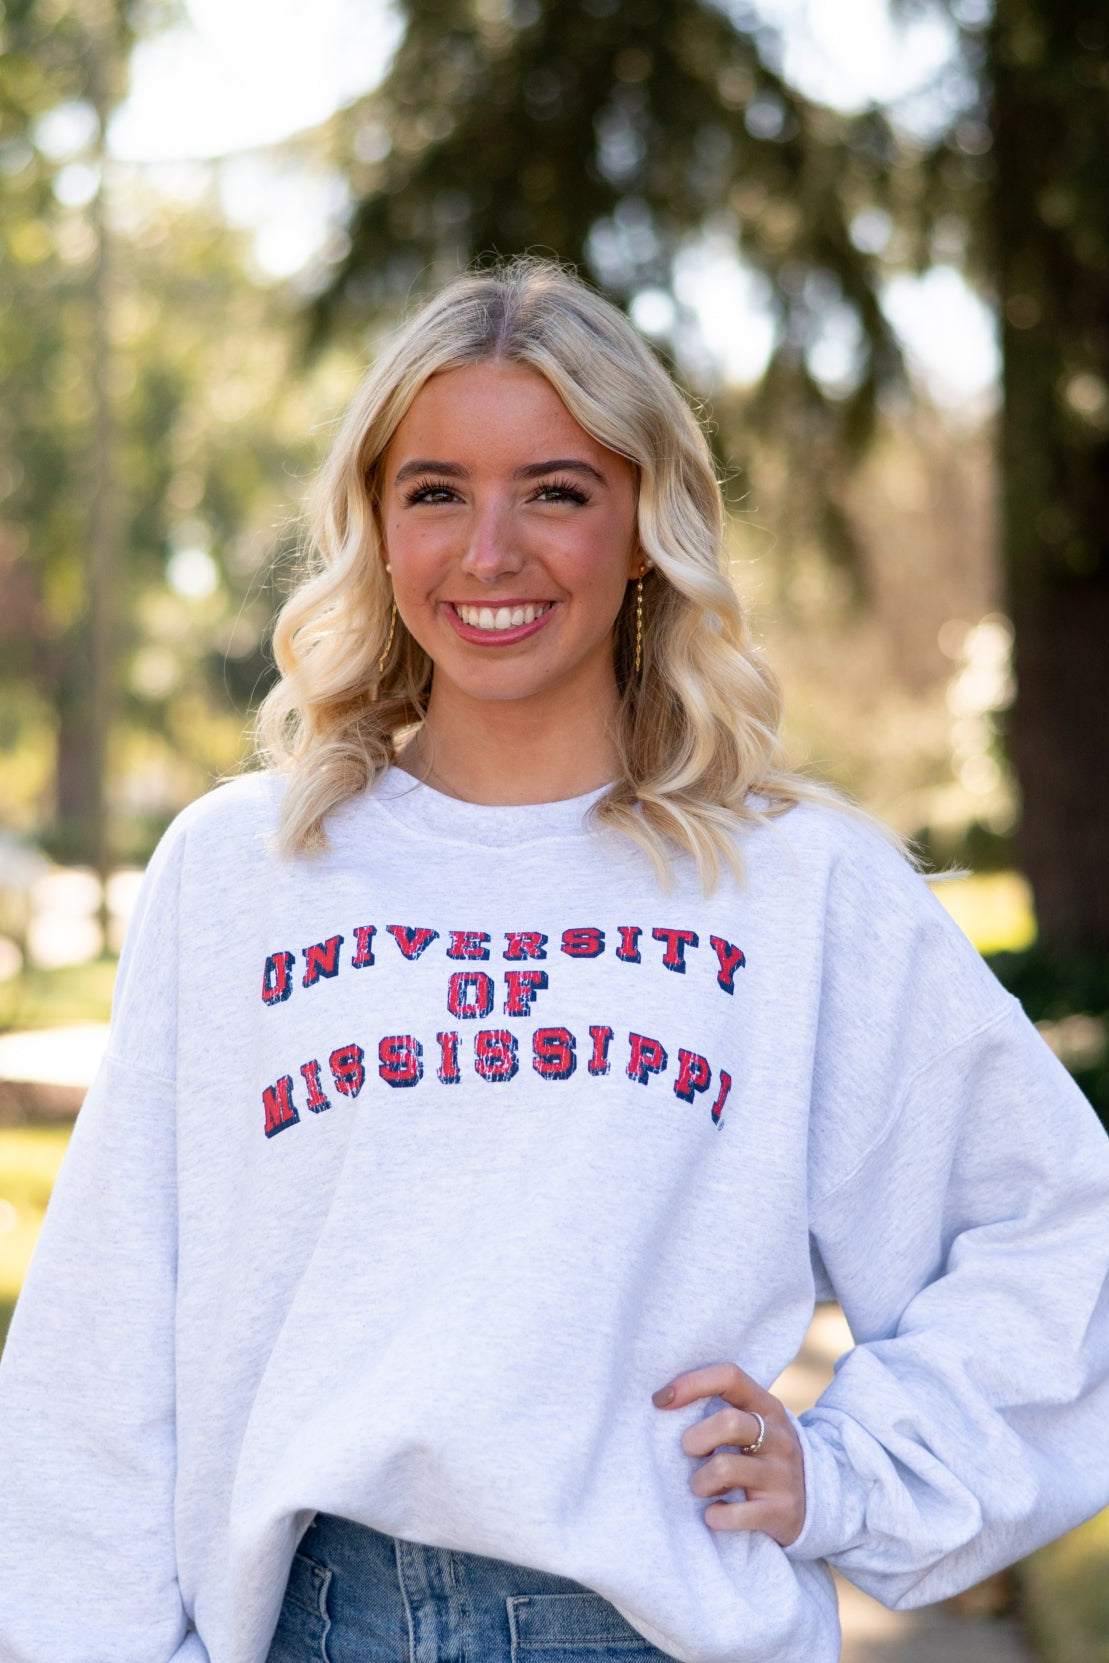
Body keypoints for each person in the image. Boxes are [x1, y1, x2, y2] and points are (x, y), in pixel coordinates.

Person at [0, 257, 1107, 1663]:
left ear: (645, 523)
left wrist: (854, 1475)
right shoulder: (244, 872)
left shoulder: (790, 888)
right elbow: (105, 1345)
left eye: (558, 490)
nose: (490, 551)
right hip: (310, 1628)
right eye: (436, 491)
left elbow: (1057, 1231)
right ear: (377, 527)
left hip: (656, 1628)